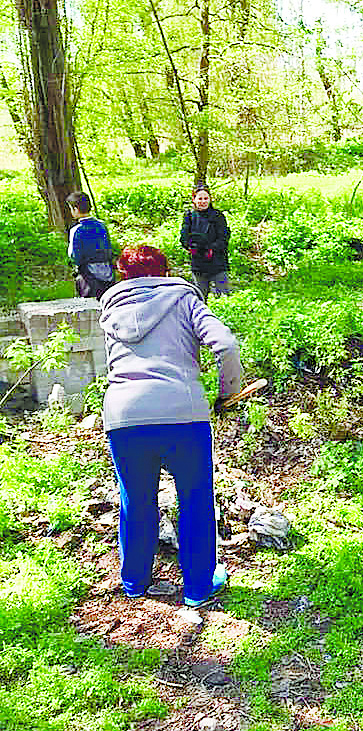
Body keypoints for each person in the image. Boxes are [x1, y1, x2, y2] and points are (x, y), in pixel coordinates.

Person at [99, 245, 244, 606]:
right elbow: (225, 345)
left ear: (122, 276)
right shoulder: (183, 299)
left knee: (135, 499)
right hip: (182, 412)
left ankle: (134, 582)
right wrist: (228, 394)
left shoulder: (110, 307)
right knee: (195, 498)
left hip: (124, 415)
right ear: (164, 272)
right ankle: (197, 589)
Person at [180, 184, 231, 299]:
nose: (203, 201)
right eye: (200, 198)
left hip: (217, 261)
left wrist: (211, 248)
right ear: (194, 200)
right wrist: (191, 247)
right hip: (198, 262)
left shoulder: (218, 216)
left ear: (210, 199)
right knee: (199, 297)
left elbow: (224, 238)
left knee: (223, 296)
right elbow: (184, 237)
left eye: (206, 198)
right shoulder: (189, 216)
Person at [67, 191, 115, 299]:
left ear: (75, 209)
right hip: (107, 272)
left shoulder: (76, 230)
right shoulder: (102, 226)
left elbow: (74, 256)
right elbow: (108, 249)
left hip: (88, 276)